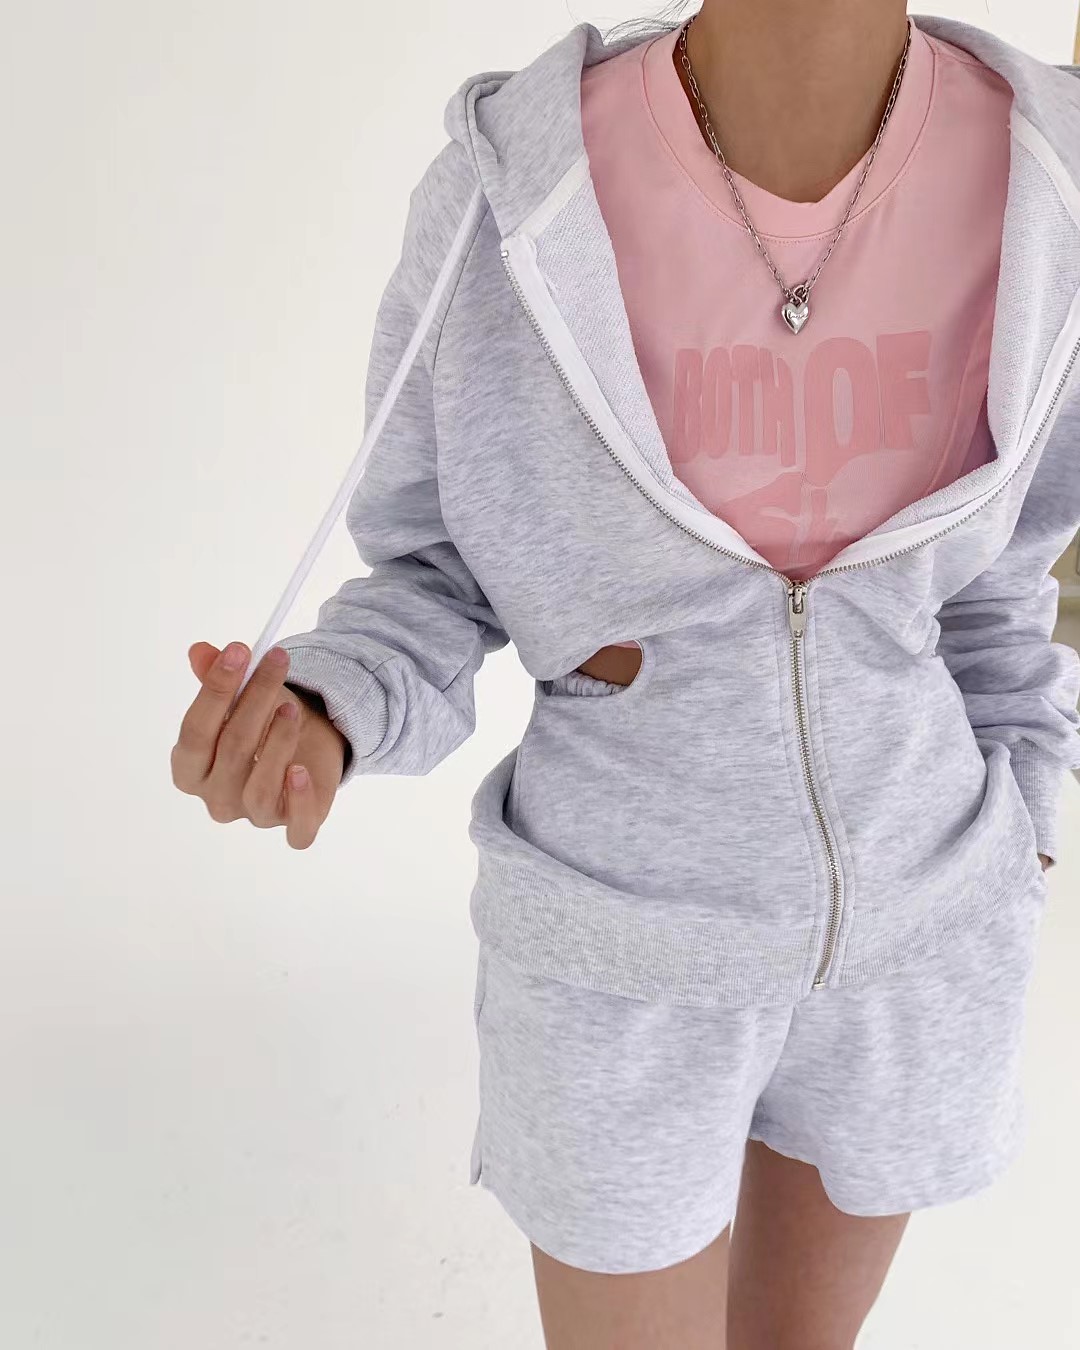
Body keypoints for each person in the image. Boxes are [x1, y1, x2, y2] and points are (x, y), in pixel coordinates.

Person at [171, 2, 1080, 1345]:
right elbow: (434, 574)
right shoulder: (512, 193)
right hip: (618, 967)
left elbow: (1007, 581)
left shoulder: (1049, 181)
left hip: (919, 941)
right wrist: (327, 703)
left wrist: (1026, 822)